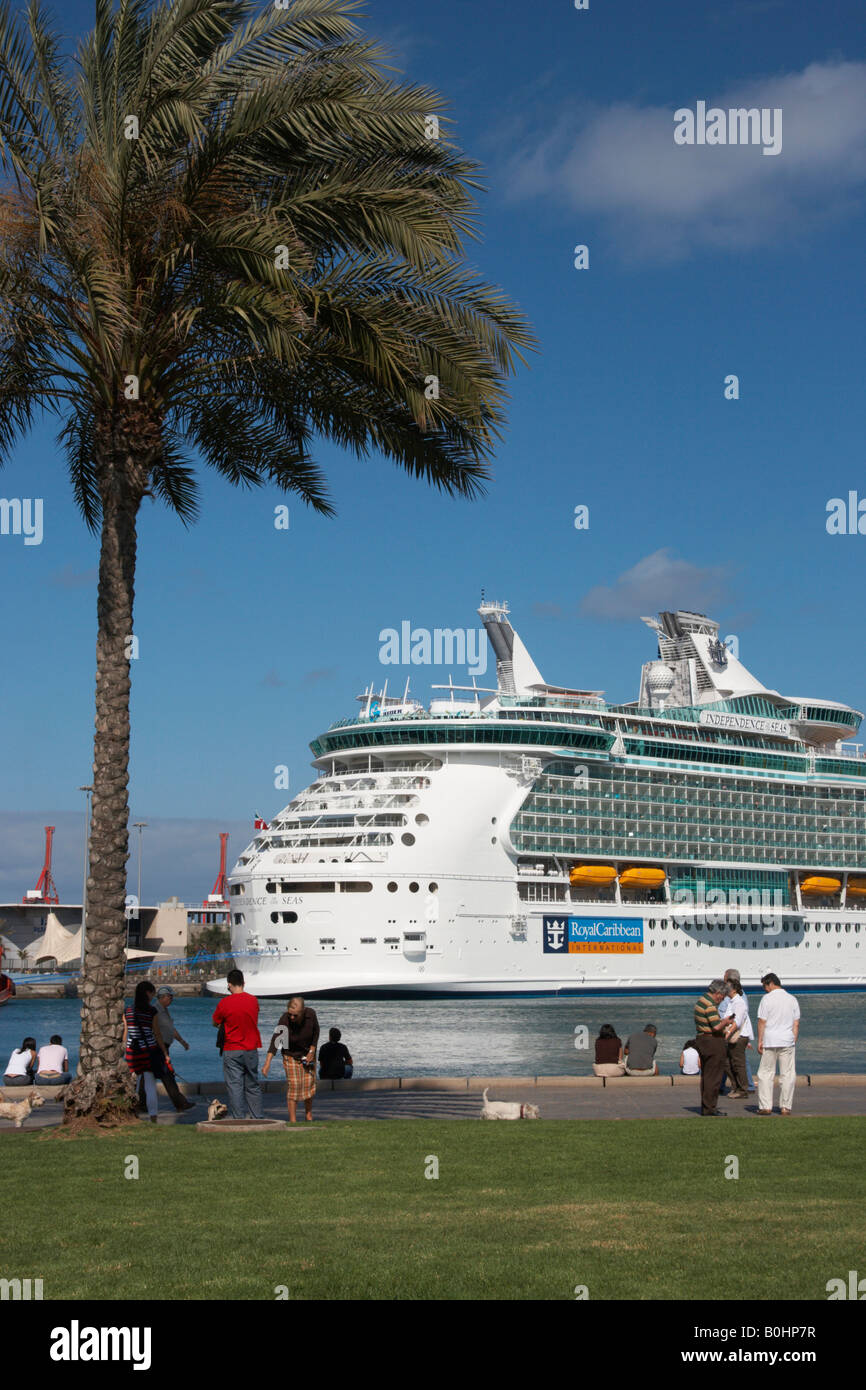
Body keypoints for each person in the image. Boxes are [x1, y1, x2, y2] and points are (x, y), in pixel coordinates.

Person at [212, 969, 263, 1119]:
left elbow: (215, 1021)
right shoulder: (253, 1000)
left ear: (229, 985)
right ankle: (257, 1117)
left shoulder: (224, 1003)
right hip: (251, 1047)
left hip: (232, 1048)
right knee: (253, 1084)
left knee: (235, 1086)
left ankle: (238, 1118)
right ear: (244, 983)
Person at [263, 995, 319, 1123]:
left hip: (307, 1054)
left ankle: (308, 1116)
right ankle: (293, 1121)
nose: (292, 1017)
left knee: (308, 1084)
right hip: (290, 1054)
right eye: (290, 1014)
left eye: (295, 1015)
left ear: (303, 1012)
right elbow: (275, 1042)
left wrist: (312, 1049)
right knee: (294, 1086)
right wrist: (267, 1063)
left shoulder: (311, 1014)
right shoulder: (285, 1020)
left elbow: (316, 1032)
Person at [123, 981, 170, 1122]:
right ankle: (153, 1116)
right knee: (150, 1086)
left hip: (132, 1050)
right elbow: (157, 1034)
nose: (153, 996)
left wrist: (123, 1050)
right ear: (148, 993)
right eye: (152, 993)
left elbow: (126, 1033)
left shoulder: (128, 1011)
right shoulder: (152, 1011)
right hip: (148, 1050)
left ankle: (132, 1114)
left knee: (133, 1085)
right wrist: (165, 1053)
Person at [756, 972, 800, 1115]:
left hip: (770, 1040)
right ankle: (785, 1107)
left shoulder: (766, 999)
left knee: (765, 1073)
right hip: (787, 1040)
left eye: (765, 986)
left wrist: (760, 1040)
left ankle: (765, 1106)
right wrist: (793, 1039)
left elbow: (762, 1021)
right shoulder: (792, 999)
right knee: (787, 1074)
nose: (765, 989)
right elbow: (796, 1023)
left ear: (770, 983)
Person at [151, 987, 195, 1112]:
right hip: (159, 1048)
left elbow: (171, 1029)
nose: (172, 999)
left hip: (164, 1047)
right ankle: (180, 1103)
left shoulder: (165, 1011)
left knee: (160, 1076)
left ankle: (180, 1103)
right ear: (163, 997)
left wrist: (182, 1042)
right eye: (170, 997)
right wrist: (164, 1052)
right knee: (166, 1076)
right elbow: (157, 1032)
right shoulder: (156, 1010)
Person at [693, 979, 733, 1115]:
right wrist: (726, 1022)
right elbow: (716, 1026)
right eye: (722, 996)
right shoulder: (710, 1005)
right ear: (718, 993)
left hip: (702, 1039)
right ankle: (710, 1108)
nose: (722, 1000)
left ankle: (706, 1106)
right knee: (714, 1077)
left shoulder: (701, 1001)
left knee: (706, 1075)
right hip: (712, 1042)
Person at [718, 972, 753, 1100]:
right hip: (733, 1036)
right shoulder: (732, 1002)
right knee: (728, 1062)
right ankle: (736, 1086)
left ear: (733, 989)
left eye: (727, 988)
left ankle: (743, 1089)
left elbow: (737, 1022)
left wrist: (727, 1035)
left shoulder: (739, 1002)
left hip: (739, 1036)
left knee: (738, 1063)